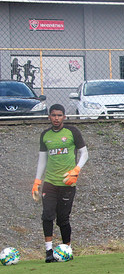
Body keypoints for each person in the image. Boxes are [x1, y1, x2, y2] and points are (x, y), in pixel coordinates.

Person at [32, 104, 88, 262]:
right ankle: (49, 252)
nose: (56, 118)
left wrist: (76, 170)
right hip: (50, 182)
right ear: (49, 116)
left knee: (63, 219)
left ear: (64, 116)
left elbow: (85, 154)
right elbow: (42, 159)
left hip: (67, 183)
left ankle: (67, 249)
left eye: (59, 115)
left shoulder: (72, 132)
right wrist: (37, 180)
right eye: (53, 115)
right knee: (47, 215)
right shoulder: (45, 135)